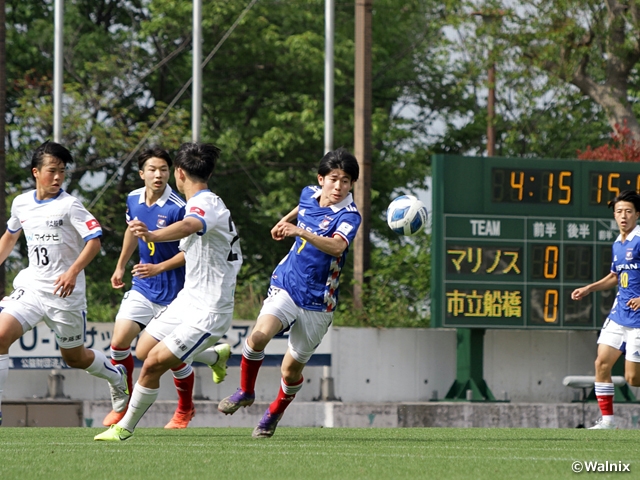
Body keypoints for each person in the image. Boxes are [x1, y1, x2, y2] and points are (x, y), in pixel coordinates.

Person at [95, 142, 242, 441]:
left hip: (209, 311)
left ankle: (124, 427)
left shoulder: (204, 204)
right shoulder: (197, 202)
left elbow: (190, 225)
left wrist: (152, 235)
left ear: (178, 174)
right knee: (143, 350)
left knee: (152, 365)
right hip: (188, 299)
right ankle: (214, 357)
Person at [218, 147, 361, 438]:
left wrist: (300, 232)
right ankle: (245, 391)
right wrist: (284, 221)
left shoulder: (349, 215)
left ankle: (274, 412)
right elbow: (303, 207)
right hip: (287, 284)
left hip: (318, 302)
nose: (339, 186)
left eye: (346, 180)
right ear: (321, 179)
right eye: (334, 178)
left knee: (289, 371)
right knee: (257, 337)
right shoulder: (309, 193)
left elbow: (337, 247)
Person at [0, 141, 129, 426]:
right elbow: (10, 236)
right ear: (36, 172)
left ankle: (115, 375)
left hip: (65, 295)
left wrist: (72, 272)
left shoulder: (70, 205)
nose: (58, 177)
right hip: (32, 288)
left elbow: (94, 243)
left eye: (62, 172)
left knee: (75, 358)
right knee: (0, 335)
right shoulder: (21, 203)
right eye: (52, 171)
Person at [571, 189, 640, 429]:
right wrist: (589, 288)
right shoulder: (618, 244)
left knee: (633, 378)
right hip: (619, 314)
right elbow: (614, 276)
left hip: (639, 319)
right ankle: (608, 421)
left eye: (628, 211)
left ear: (637, 214)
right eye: (619, 211)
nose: (623, 216)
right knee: (601, 363)